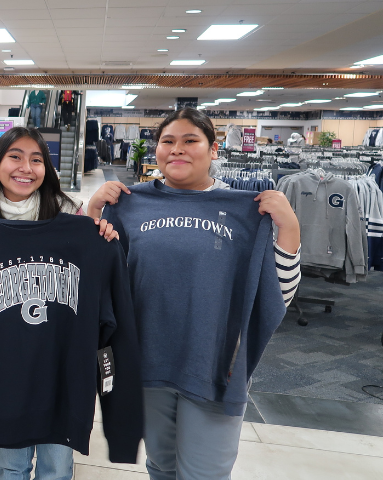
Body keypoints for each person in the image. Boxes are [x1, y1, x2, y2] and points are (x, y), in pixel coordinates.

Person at [87, 108, 301, 480]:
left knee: (205, 474)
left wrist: (290, 230)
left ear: (213, 149)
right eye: (167, 141)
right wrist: (92, 211)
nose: (177, 150)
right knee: (161, 467)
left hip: (213, 367)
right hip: (146, 366)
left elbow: (276, 295)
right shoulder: (129, 206)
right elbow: (92, 279)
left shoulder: (245, 211)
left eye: (190, 141)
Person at [0, 126, 118, 480]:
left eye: (36, 159)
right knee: (10, 466)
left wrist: (101, 235)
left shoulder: (71, 221)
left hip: (60, 373)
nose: (25, 167)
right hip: (5, 376)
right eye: (15, 156)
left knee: (57, 468)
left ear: (47, 169)